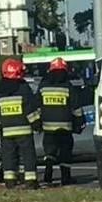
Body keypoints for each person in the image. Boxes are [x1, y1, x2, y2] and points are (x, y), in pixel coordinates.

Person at [0, 57, 42, 189]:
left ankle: (10, 181)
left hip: (7, 131)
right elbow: (29, 108)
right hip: (24, 130)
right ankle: (30, 182)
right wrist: (36, 124)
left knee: (8, 156)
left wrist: (0, 125)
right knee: (28, 156)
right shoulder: (22, 87)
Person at [38, 57, 85, 186]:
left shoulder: (43, 86)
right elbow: (76, 108)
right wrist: (80, 123)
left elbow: (37, 106)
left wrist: (37, 123)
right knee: (65, 154)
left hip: (48, 129)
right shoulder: (67, 86)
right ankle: (65, 178)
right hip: (65, 128)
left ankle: (48, 176)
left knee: (49, 153)